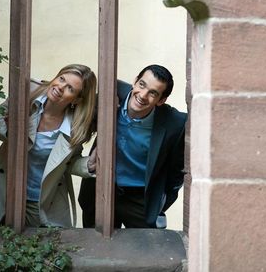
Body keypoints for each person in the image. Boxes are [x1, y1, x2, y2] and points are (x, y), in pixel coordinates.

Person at [0, 64, 97, 227]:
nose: (60, 87)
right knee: (0, 242)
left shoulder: (74, 128)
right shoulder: (29, 92)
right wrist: (10, 133)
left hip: (39, 198)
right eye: (61, 79)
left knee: (36, 245)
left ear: (76, 99)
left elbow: (68, 162)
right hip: (6, 188)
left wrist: (87, 165)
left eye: (70, 88)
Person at [79, 64, 187, 228]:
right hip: (102, 190)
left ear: (161, 100)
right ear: (135, 81)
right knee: (98, 248)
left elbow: (177, 172)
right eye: (142, 85)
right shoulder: (110, 94)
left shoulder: (175, 123)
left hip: (140, 199)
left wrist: (161, 202)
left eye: (153, 93)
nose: (143, 95)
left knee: (145, 249)